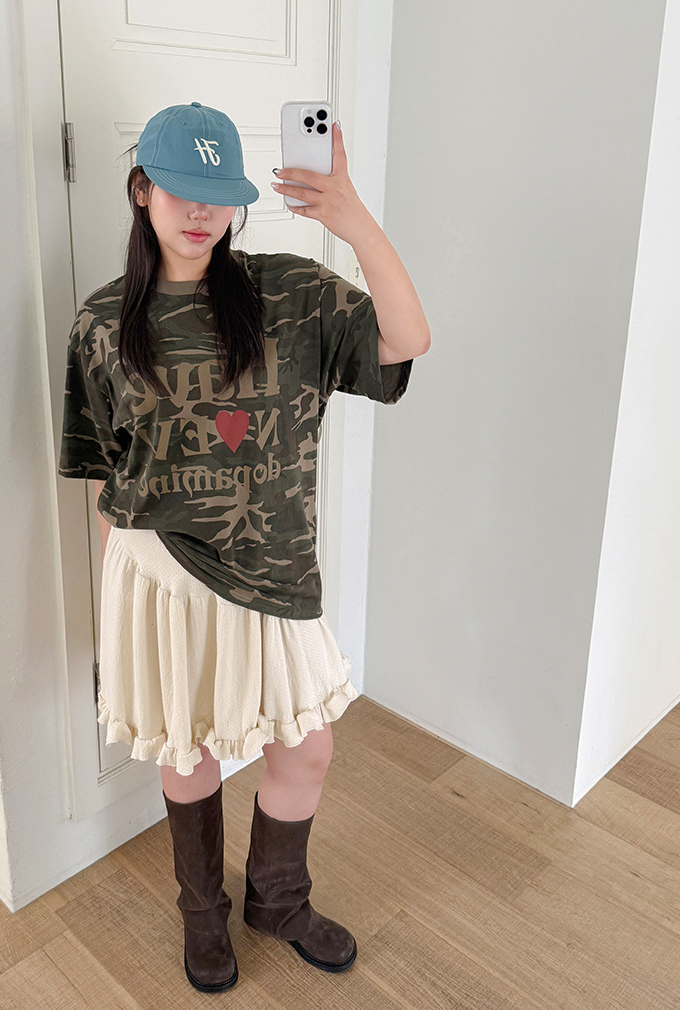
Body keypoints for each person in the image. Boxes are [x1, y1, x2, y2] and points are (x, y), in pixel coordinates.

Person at [58, 101, 430, 994]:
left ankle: (278, 901)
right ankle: (203, 916)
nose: (200, 212)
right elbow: (101, 469)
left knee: (305, 748)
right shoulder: (102, 322)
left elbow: (406, 340)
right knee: (188, 750)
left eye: (218, 194)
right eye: (179, 189)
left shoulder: (290, 295)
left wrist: (351, 218)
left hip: (276, 567)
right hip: (159, 574)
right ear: (141, 190)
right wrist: (115, 597)